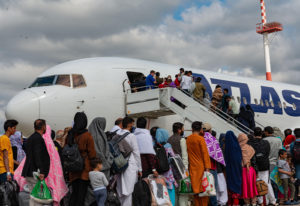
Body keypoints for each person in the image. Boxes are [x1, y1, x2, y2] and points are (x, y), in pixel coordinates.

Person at [67, 112, 97, 206]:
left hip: (72, 169)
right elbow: (92, 154)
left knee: (74, 194)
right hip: (84, 169)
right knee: (81, 196)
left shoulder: (71, 134)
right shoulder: (87, 135)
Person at [20, 119, 51, 205]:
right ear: (43, 127)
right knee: (38, 198)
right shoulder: (38, 138)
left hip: (29, 171)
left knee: (33, 197)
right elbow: (38, 155)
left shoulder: (30, 138)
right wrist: (41, 170)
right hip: (35, 173)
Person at [116, 117, 142, 206]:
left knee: (120, 188)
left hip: (118, 163)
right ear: (130, 124)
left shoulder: (116, 134)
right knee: (129, 189)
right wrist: (140, 168)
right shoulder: (131, 136)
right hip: (130, 164)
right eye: (132, 124)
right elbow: (136, 152)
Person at [247, 127, 276, 206]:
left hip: (255, 165)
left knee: (257, 183)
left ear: (254, 134)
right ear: (262, 133)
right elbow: (267, 153)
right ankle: (271, 200)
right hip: (265, 165)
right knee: (266, 183)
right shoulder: (266, 142)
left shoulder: (249, 143)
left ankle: (261, 202)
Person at [186, 121, 211, 206]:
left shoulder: (188, 139)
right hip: (201, 168)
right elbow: (205, 154)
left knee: (195, 192)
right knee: (204, 192)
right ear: (200, 129)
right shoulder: (201, 139)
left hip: (192, 167)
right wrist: (207, 168)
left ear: (192, 129)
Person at [202, 123, 226, 206]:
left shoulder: (199, 139)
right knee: (212, 189)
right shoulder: (212, 139)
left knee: (203, 189)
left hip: (201, 167)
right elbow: (217, 154)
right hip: (211, 167)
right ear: (210, 130)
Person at [155, 128, 178, 206]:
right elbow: (173, 158)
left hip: (158, 175)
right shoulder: (168, 146)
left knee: (160, 196)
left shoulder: (154, 146)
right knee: (170, 196)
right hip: (168, 174)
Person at [238, 133, 258, 206]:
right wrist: (256, 171)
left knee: (245, 186)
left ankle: (247, 202)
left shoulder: (237, 149)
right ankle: (254, 202)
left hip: (242, 170)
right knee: (252, 186)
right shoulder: (250, 148)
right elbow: (254, 161)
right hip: (251, 170)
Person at [224, 131, 242, 206]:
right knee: (236, 183)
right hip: (237, 169)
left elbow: (225, 159)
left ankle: (230, 203)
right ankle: (236, 203)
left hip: (229, 169)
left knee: (230, 185)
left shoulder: (226, 147)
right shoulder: (237, 146)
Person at [289, 128, 300, 198]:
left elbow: (291, 153)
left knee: (298, 176)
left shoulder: (292, 144)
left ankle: (298, 194)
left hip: (296, 162)